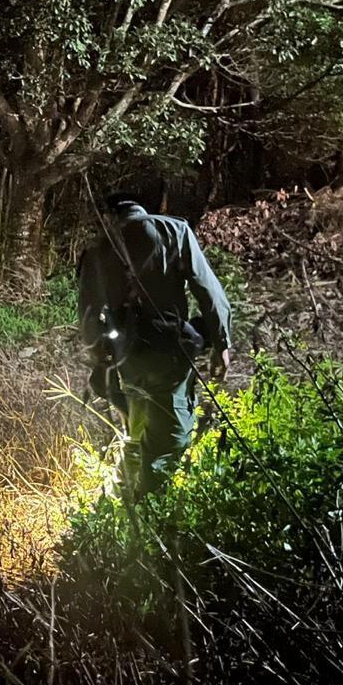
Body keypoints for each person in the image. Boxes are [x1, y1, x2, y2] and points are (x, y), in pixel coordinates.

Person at [78, 192, 232, 497]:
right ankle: (147, 510)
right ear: (140, 207)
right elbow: (210, 292)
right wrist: (221, 343)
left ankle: (123, 502)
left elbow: (88, 316)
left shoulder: (97, 249)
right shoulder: (174, 231)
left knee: (138, 427)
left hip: (127, 359)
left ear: (111, 216)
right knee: (170, 440)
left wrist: (102, 359)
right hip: (169, 356)